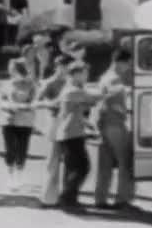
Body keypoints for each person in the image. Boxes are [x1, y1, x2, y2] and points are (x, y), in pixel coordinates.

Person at [54, 61, 102, 209]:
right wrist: (110, 91)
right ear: (75, 74)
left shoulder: (75, 89)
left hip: (73, 133)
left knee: (74, 168)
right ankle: (67, 198)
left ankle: (69, 200)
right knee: (82, 167)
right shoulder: (72, 90)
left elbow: (78, 109)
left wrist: (87, 124)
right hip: (70, 134)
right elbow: (94, 97)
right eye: (84, 73)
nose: (87, 76)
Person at [94, 49, 136, 210]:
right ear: (121, 62)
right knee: (125, 163)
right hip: (116, 124)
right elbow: (113, 100)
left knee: (104, 165)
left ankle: (100, 199)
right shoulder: (115, 79)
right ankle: (122, 200)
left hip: (104, 125)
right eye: (128, 63)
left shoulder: (104, 77)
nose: (128, 67)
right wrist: (124, 110)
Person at [34, 54, 75, 207]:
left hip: (70, 122)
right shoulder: (50, 83)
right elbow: (37, 101)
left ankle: (66, 197)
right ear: (57, 66)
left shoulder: (72, 82)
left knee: (70, 160)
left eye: (67, 66)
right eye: (63, 66)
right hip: (55, 121)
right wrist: (51, 103)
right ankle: (48, 198)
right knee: (53, 160)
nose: (65, 69)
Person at [0, 58, 37, 191]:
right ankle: (10, 177)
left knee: (22, 150)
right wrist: (8, 106)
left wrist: (21, 106)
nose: (11, 71)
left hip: (25, 122)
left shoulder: (31, 85)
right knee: (10, 149)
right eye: (10, 69)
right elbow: (2, 101)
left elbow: (34, 103)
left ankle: (19, 177)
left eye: (13, 69)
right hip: (8, 120)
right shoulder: (6, 84)